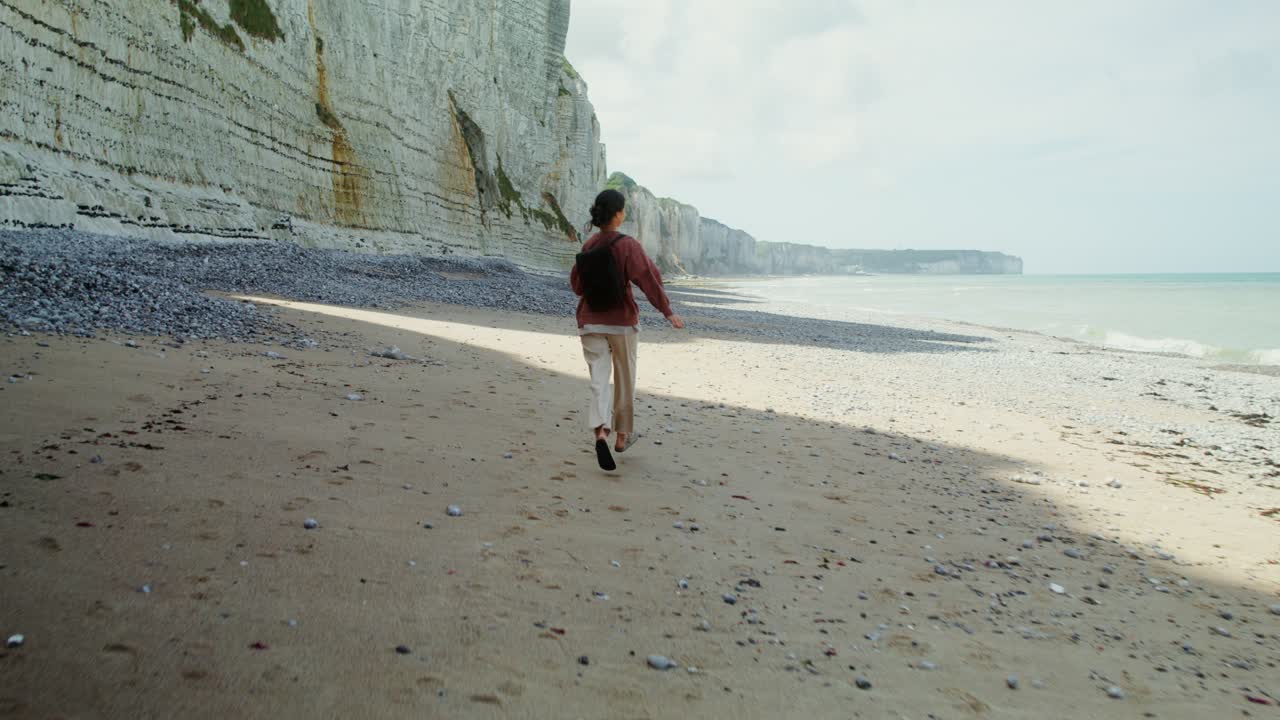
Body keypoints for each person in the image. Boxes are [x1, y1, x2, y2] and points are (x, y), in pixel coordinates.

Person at [570, 189, 685, 471]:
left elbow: (577, 287)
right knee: (625, 378)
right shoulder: (627, 245)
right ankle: (622, 437)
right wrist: (667, 311)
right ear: (619, 215)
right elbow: (648, 278)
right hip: (622, 322)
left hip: (590, 321)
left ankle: (600, 431)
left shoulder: (589, 245)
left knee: (599, 379)